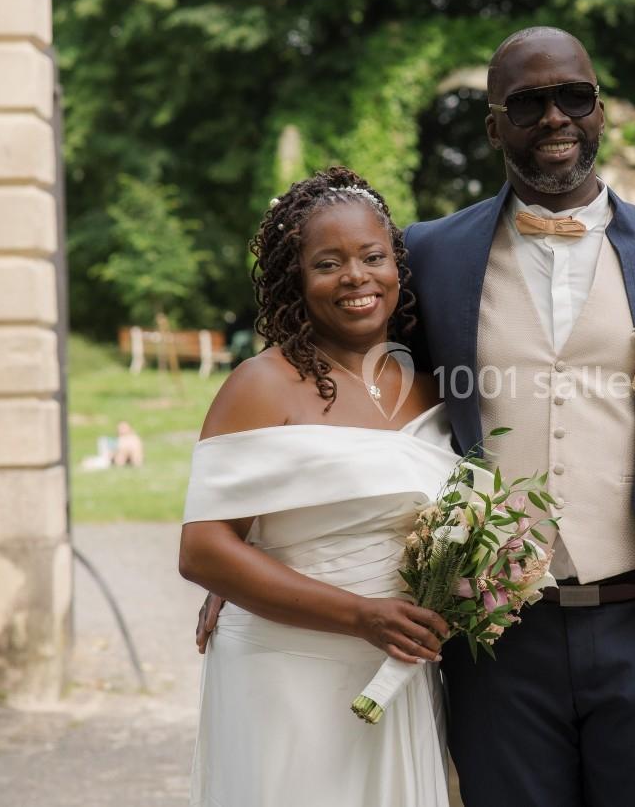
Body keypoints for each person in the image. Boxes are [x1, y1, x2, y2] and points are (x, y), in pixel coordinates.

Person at [400, 27, 635, 807]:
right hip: (494, 641)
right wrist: (273, 537)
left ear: (599, 109)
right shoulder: (428, 257)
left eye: (574, 97)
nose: (554, 118)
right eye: (528, 103)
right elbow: (365, 407)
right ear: (493, 125)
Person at [177, 167, 459, 807]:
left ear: (397, 268)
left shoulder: (433, 381)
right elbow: (203, 550)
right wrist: (360, 615)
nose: (356, 277)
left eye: (372, 256)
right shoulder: (260, 385)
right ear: (295, 281)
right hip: (289, 665)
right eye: (327, 263)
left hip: (402, 668)